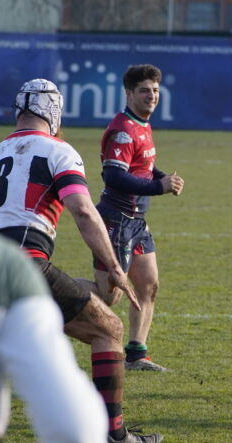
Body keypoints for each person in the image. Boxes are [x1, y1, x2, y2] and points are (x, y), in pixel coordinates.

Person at [0, 78, 164, 443]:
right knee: (109, 328)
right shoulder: (58, 151)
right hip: (23, 267)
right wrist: (114, 266)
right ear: (54, 111)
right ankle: (114, 436)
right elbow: (82, 210)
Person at [0, 230, 108, 443]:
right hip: (25, 266)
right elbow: (77, 432)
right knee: (109, 330)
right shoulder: (1, 267)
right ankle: (118, 434)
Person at [88, 64, 184, 372]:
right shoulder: (123, 129)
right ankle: (52, 292)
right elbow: (114, 176)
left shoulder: (142, 124)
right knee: (109, 295)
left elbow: (141, 165)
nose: (151, 96)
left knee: (148, 285)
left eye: (155, 90)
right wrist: (159, 186)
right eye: (144, 90)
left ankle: (136, 354)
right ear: (129, 93)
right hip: (116, 219)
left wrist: (162, 176)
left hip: (137, 221)